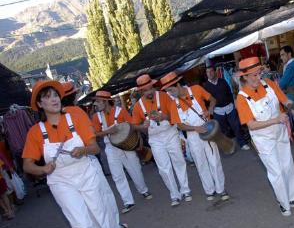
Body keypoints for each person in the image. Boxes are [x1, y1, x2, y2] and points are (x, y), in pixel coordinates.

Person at [22, 80, 122, 228]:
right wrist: (42, 169)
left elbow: (95, 148)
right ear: (40, 104)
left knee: (98, 215)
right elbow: (27, 166)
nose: (54, 99)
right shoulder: (35, 132)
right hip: (60, 181)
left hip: (85, 172)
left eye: (55, 95)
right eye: (48, 97)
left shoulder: (75, 116)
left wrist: (83, 150)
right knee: (82, 225)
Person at [61, 82, 127, 228]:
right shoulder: (77, 112)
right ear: (74, 96)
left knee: (83, 202)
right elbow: (91, 137)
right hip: (86, 157)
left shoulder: (56, 116)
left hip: (67, 167)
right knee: (103, 195)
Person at [235, 57, 294, 217]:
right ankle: (283, 204)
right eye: (254, 75)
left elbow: (284, 100)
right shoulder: (242, 98)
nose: (258, 78)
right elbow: (251, 125)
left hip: (279, 132)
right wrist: (276, 119)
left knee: (287, 165)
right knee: (276, 171)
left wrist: (292, 105)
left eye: (259, 73)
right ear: (244, 77)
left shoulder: (269, 84)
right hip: (262, 139)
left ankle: (292, 197)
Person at [163, 72, 229, 201]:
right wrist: (195, 128)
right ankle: (209, 191)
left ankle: (221, 189)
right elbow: (180, 125)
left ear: (177, 84)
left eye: (170, 90)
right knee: (201, 163)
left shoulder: (196, 89)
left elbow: (212, 100)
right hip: (193, 136)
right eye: (167, 91)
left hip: (207, 130)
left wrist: (209, 110)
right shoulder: (173, 104)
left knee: (214, 161)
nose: (170, 93)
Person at [132, 74, 192, 207]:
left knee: (179, 161)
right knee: (164, 168)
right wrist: (143, 126)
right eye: (145, 90)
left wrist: (164, 116)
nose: (149, 92)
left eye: (150, 88)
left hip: (170, 133)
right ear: (141, 91)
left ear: (153, 86)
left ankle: (186, 190)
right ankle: (174, 195)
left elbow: (175, 115)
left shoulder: (164, 96)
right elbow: (134, 125)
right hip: (155, 139)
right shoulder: (138, 106)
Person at [91, 90, 152, 214]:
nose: (95, 104)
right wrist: (108, 131)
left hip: (127, 146)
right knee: (117, 175)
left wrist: (141, 130)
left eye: (97, 101)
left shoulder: (121, 111)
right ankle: (128, 201)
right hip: (110, 148)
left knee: (134, 169)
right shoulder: (96, 117)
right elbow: (95, 133)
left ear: (105, 101)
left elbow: (131, 126)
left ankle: (143, 190)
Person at [202, 63, 250, 151]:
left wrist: (232, 104)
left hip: (230, 108)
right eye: (207, 72)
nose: (210, 73)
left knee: (236, 126)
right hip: (218, 111)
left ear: (215, 71)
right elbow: (206, 101)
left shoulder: (222, 81)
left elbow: (229, 93)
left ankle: (242, 143)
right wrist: (211, 112)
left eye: (211, 71)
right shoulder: (205, 86)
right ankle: (229, 146)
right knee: (224, 130)